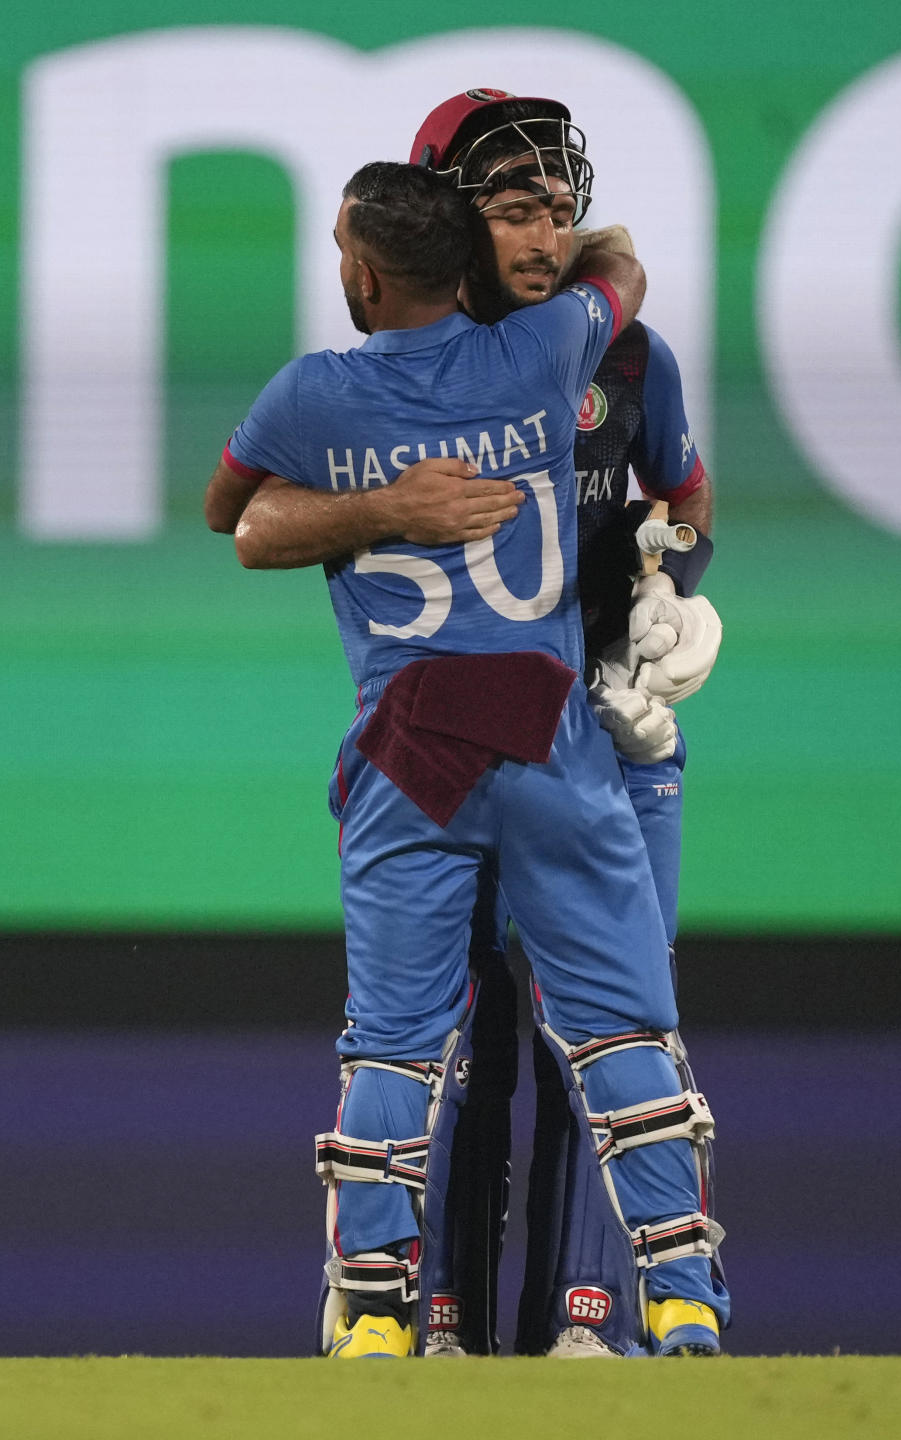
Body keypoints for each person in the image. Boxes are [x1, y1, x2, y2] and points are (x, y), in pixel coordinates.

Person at [205, 159, 722, 1359]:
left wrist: (381, 499)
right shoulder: (547, 352)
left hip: (411, 748)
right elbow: (626, 269)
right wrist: (574, 255)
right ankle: (684, 1302)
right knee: (624, 1032)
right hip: (550, 733)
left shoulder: (310, 395)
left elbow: (231, 510)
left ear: (364, 272)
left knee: (391, 1039)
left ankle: (375, 1318)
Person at [404, 91, 728, 1359]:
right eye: (512, 207)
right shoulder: (404, 358)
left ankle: (599, 1330)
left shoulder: (633, 358)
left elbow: (687, 500)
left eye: (559, 206)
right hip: (455, 740)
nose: (545, 236)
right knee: (453, 1041)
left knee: (611, 1033)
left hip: (608, 725)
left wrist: (668, 591)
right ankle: (436, 1323)